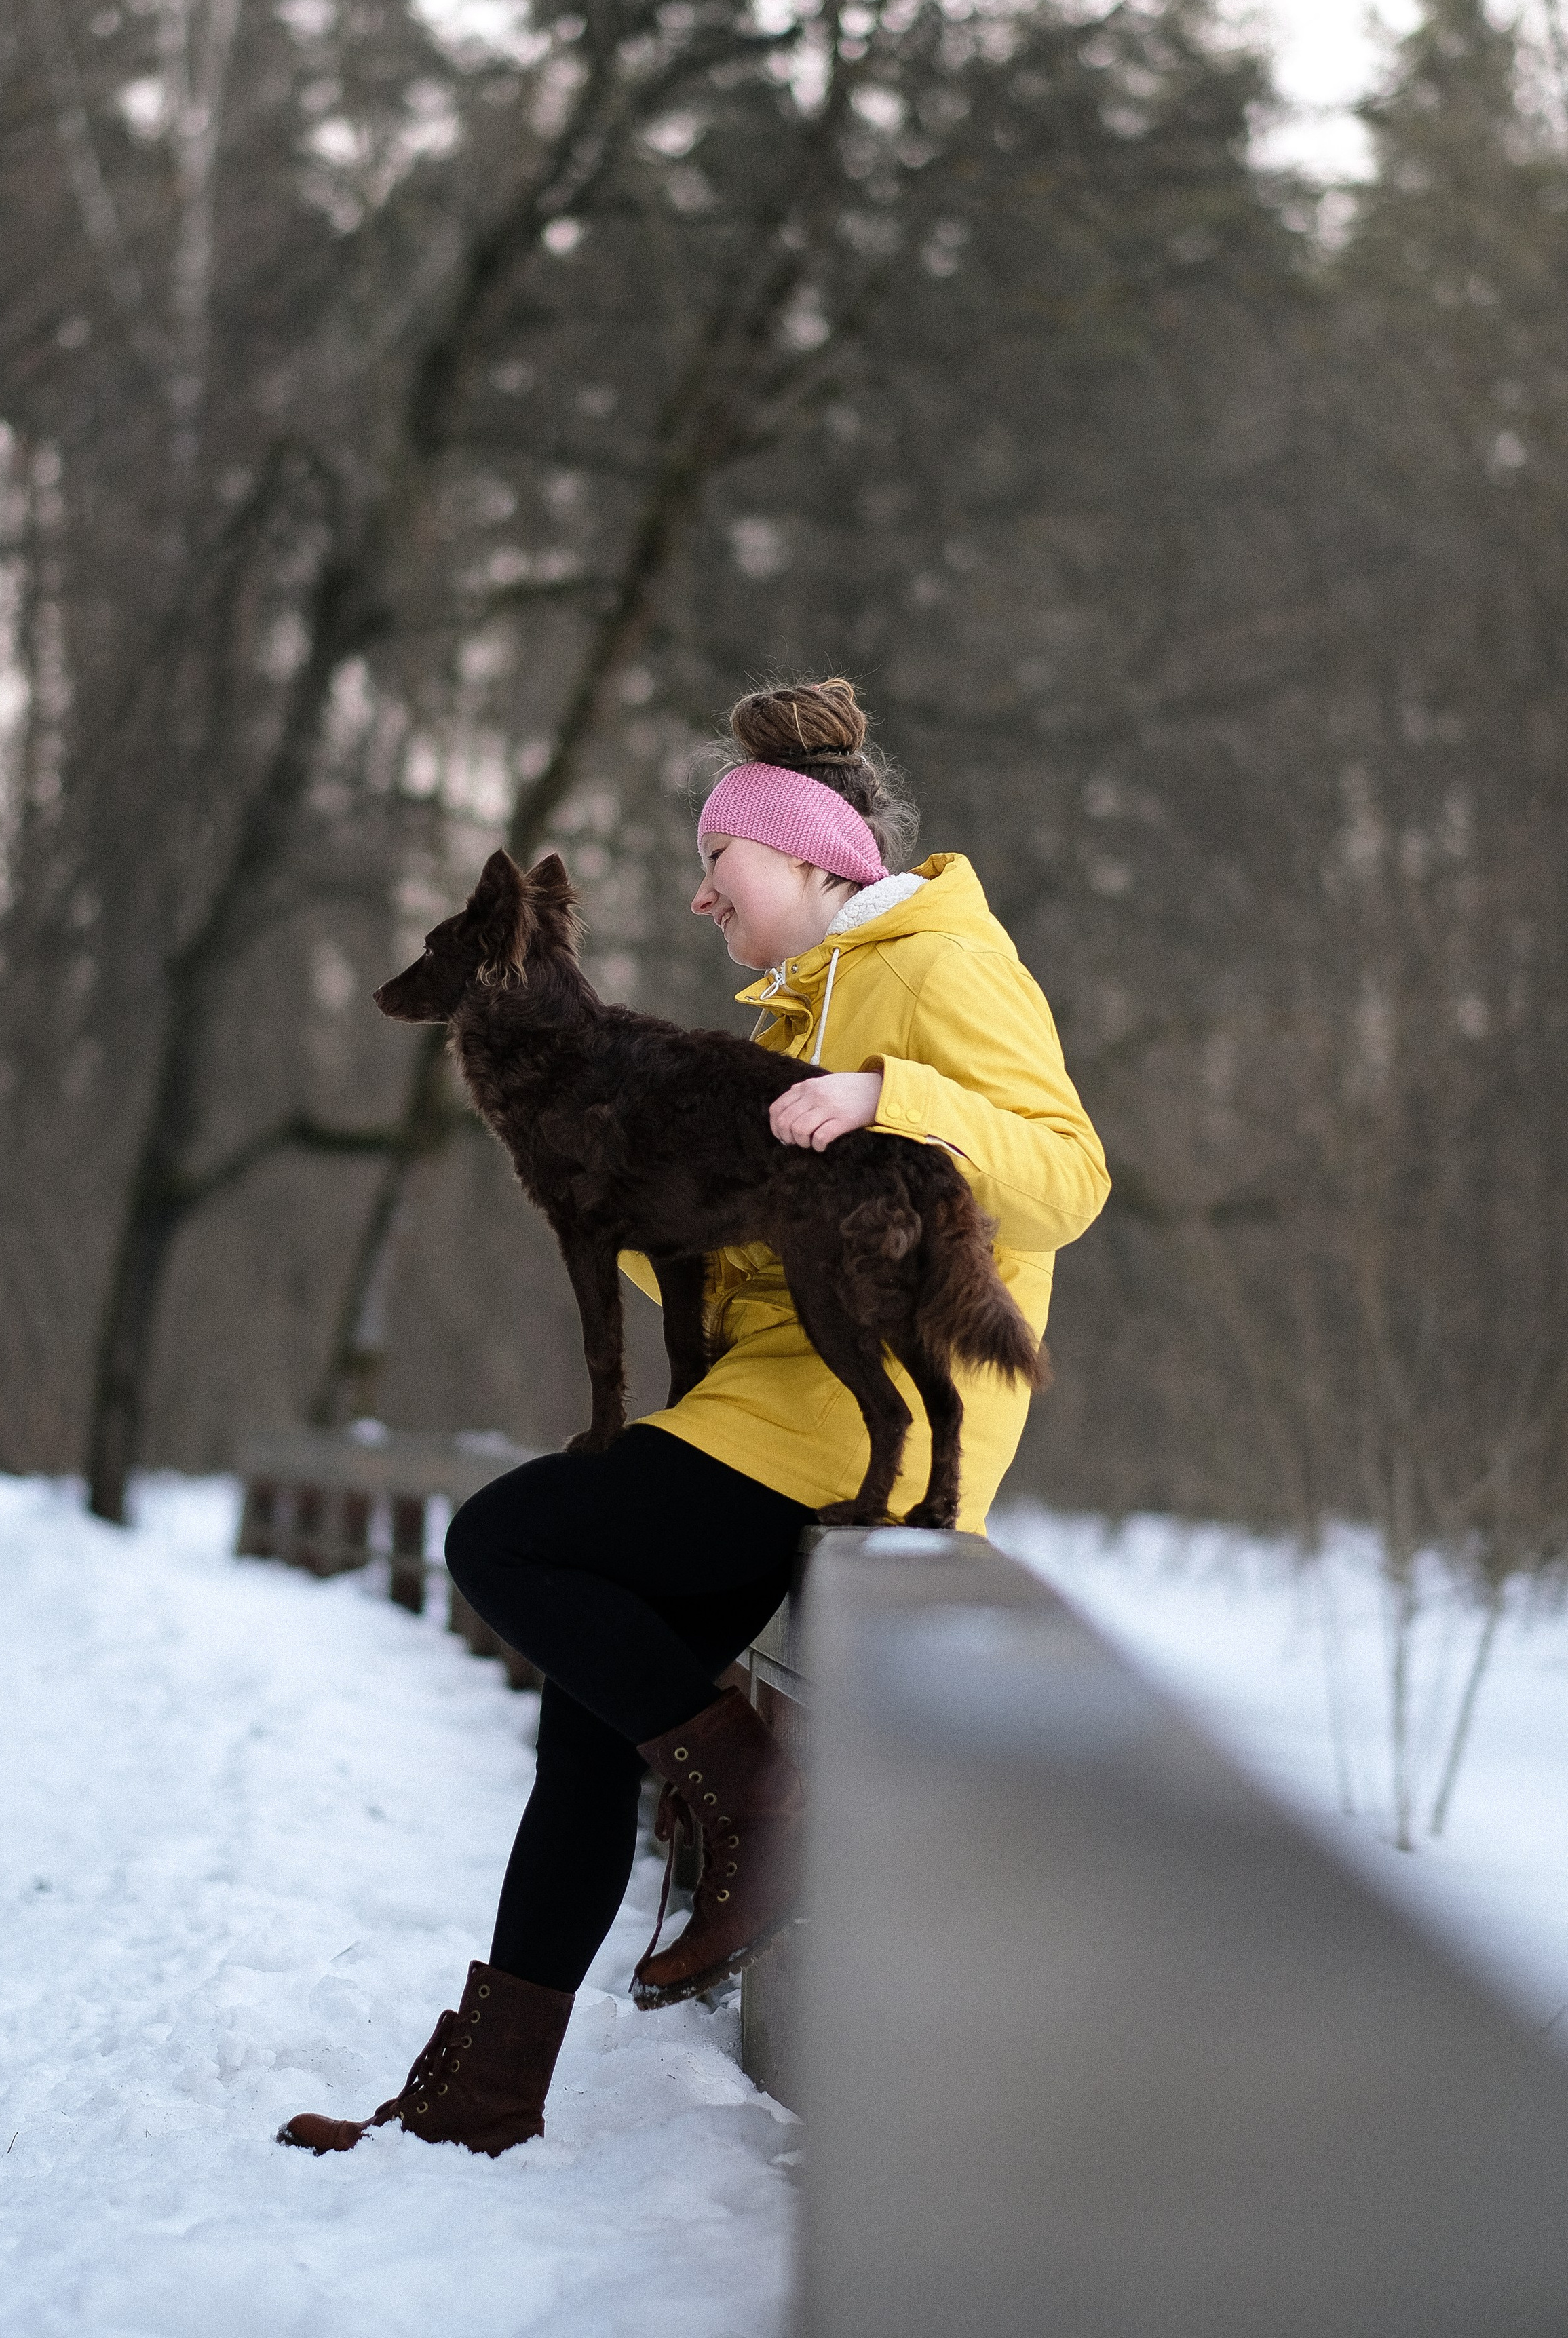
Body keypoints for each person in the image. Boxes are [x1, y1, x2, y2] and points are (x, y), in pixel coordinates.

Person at [278, 676, 1110, 2159]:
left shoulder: (939, 967)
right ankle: (489, 2096)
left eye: (717, 870)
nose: (698, 898)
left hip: (848, 1429)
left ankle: (747, 1787)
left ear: (809, 857)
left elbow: (1062, 1177)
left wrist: (882, 1096)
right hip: (760, 1405)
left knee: (509, 1542)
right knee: (586, 1709)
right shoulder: (802, 997)